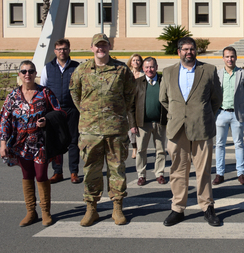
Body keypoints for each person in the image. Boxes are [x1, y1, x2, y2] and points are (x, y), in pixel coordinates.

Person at [70, 33, 137, 227]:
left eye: (104, 45)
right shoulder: (82, 70)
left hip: (115, 128)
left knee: (117, 169)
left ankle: (117, 207)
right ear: (92, 48)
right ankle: (91, 208)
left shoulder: (121, 70)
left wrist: (117, 114)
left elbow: (129, 95)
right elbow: (75, 94)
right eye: (97, 46)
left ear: (109, 47)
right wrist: (87, 113)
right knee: (91, 169)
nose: (101, 49)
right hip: (90, 130)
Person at [161, 37, 223, 227]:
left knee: (203, 170)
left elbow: (216, 100)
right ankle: (178, 208)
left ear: (196, 51)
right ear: (179, 51)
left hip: (201, 128)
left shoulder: (209, 70)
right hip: (177, 128)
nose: (189, 52)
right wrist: (178, 114)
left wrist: (202, 116)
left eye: (192, 49)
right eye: (185, 49)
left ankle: (207, 207)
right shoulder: (168, 72)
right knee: (178, 170)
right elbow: (164, 99)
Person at [0, 61, 64, 226]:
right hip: (20, 143)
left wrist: (46, 120)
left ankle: (46, 211)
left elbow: (59, 112)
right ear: (19, 75)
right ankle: (30, 211)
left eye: (31, 71)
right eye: (24, 71)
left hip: (40, 142)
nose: (27, 74)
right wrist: (3, 143)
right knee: (27, 175)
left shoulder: (45, 93)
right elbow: (4, 119)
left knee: (41, 175)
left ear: (36, 74)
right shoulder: (13, 96)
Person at [40, 39, 82, 184]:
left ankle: (74, 172)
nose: (61, 52)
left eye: (64, 49)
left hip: (72, 109)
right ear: (54, 51)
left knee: (73, 140)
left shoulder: (77, 67)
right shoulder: (48, 68)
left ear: (69, 50)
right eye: (59, 49)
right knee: (56, 141)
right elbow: (43, 89)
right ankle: (57, 172)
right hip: (55, 111)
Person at [213, 46, 244, 185]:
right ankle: (219, 173)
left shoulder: (243, 74)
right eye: (227, 56)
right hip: (221, 113)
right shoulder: (217, 74)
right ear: (223, 58)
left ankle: (241, 173)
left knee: (239, 144)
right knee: (219, 144)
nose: (230, 59)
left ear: (236, 57)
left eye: (232, 56)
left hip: (237, 114)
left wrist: (241, 107)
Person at [131, 57, 168, 186]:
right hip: (143, 123)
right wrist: (132, 124)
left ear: (156, 67)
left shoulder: (164, 81)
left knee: (161, 150)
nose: (149, 69)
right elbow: (131, 106)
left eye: (152, 67)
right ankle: (141, 175)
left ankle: (160, 174)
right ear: (143, 68)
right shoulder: (137, 83)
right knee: (141, 150)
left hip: (160, 122)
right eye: (146, 67)